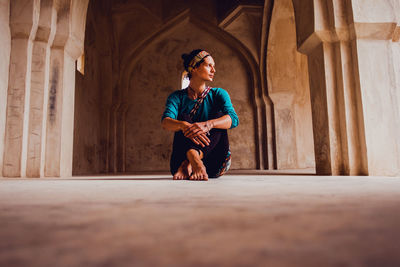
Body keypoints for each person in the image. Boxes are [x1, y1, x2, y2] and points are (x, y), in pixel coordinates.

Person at [161, 49, 239, 181]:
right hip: (179, 163)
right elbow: (166, 122)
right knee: (182, 119)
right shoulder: (177, 97)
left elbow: (234, 119)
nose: (214, 70)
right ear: (195, 68)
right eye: (209, 65)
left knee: (219, 115)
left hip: (215, 162)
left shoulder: (218, 94)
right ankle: (191, 159)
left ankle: (192, 158)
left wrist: (208, 124)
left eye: (213, 66)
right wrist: (184, 125)